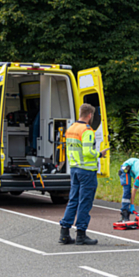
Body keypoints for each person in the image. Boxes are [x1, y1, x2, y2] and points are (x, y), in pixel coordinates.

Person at [58, 103, 109, 245]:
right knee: (84, 202)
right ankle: (81, 234)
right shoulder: (87, 130)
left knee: (73, 200)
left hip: (74, 168)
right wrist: (99, 153)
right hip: (86, 171)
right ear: (90, 115)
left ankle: (64, 233)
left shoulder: (71, 128)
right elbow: (88, 152)